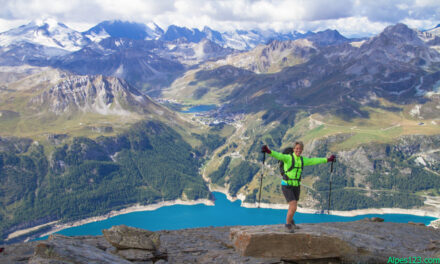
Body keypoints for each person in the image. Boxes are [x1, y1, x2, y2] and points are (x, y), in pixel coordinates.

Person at [261, 141, 335, 233]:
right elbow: (278, 155)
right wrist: (268, 151)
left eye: (300, 149)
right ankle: (288, 224)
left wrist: (328, 160)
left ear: (302, 150)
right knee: (293, 206)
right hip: (287, 185)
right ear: (293, 149)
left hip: (296, 186)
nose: (298, 150)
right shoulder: (288, 158)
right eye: (296, 148)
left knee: (293, 206)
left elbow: (315, 160)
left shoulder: (302, 160)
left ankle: (291, 221)